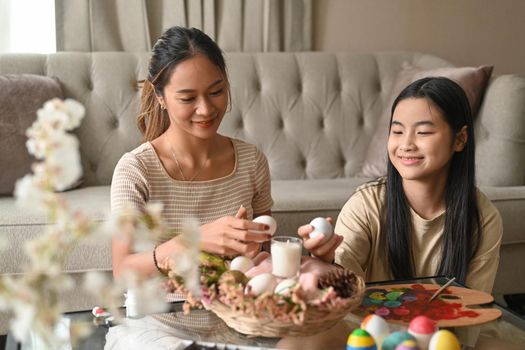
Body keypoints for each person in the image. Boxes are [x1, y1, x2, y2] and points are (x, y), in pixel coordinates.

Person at [106, 26, 273, 349]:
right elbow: (122, 271)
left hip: (239, 323)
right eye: (187, 98)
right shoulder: (136, 170)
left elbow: (262, 257)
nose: (206, 110)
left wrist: (259, 254)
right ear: (160, 96)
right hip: (159, 327)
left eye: (216, 91)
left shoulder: (252, 161)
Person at [299, 77, 502, 294]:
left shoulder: (483, 218)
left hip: (448, 328)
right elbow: (342, 293)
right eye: (397, 131)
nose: (406, 144)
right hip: (372, 327)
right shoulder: (366, 205)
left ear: (460, 139)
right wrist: (324, 260)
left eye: (423, 132)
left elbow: (474, 310)